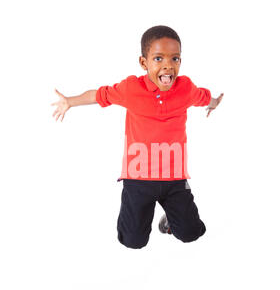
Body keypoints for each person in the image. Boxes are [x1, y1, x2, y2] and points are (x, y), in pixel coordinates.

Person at [51, 25, 224, 249]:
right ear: (144, 63)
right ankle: (134, 222)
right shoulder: (131, 89)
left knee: (192, 233)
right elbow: (98, 95)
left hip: (174, 177)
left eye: (175, 58)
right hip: (138, 178)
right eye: (159, 58)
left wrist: (215, 103)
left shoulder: (185, 88)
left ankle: (171, 219)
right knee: (133, 241)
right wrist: (70, 101)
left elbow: (204, 97)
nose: (168, 66)